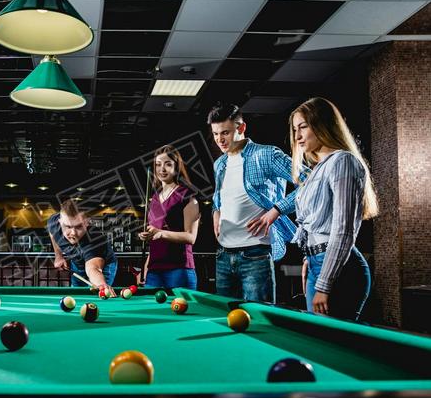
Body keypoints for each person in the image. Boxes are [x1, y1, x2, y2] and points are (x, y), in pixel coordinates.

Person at [209, 103, 308, 303]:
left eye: (225, 132)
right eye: (215, 134)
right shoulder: (219, 164)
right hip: (223, 255)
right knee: (224, 320)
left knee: (257, 321)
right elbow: (219, 197)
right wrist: (215, 211)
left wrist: (276, 210)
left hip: (255, 253)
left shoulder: (267, 155)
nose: (220, 139)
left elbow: (311, 181)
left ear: (241, 128)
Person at [290, 97, 378, 320]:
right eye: (294, 130)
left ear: (322, 125)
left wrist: (325, 283)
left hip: (340, 270)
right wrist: (309, 259)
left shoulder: (343, 161)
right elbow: (314, 225)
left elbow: (343, 231)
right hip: (316, 264)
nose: (297, 136)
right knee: (319, 344)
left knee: (334, 347)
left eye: (303, 127)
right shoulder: (317, 169)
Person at [138, 145, 200, 289]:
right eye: (158, 165)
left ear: (176, 167)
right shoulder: (154, 199)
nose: (162, 169)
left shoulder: (187, 196)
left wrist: (161, 234)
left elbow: (191, 237)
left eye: (168, 164)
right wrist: (146, 268)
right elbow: (154, 241)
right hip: (154, 271)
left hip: (179, 270)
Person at [48, 199, 118, 296]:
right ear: (60, 222)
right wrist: (58, 256)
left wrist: (101, 285)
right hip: (77, 263)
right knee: (76, 295)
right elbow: (52, 234)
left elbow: (93, 268)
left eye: (79, 227)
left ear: (87, 223)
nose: (73, 233)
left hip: (103, 265)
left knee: (98, 296)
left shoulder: (94, 238)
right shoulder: (53, 223)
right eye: (67, 226)